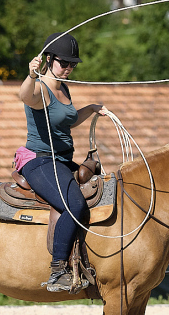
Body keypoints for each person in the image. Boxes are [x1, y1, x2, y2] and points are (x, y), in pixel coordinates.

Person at [17, 32, 106, 292]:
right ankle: (58, 270)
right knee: (74, 205)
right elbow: (25, 95)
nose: (68, 68)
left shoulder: (63, 87)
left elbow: (67, 120)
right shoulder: (40, 89)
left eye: (72, 64)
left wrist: (90, 109)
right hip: (41, 162)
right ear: (48, 59)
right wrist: (31, 75)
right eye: (64, 63)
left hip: (63, 160)